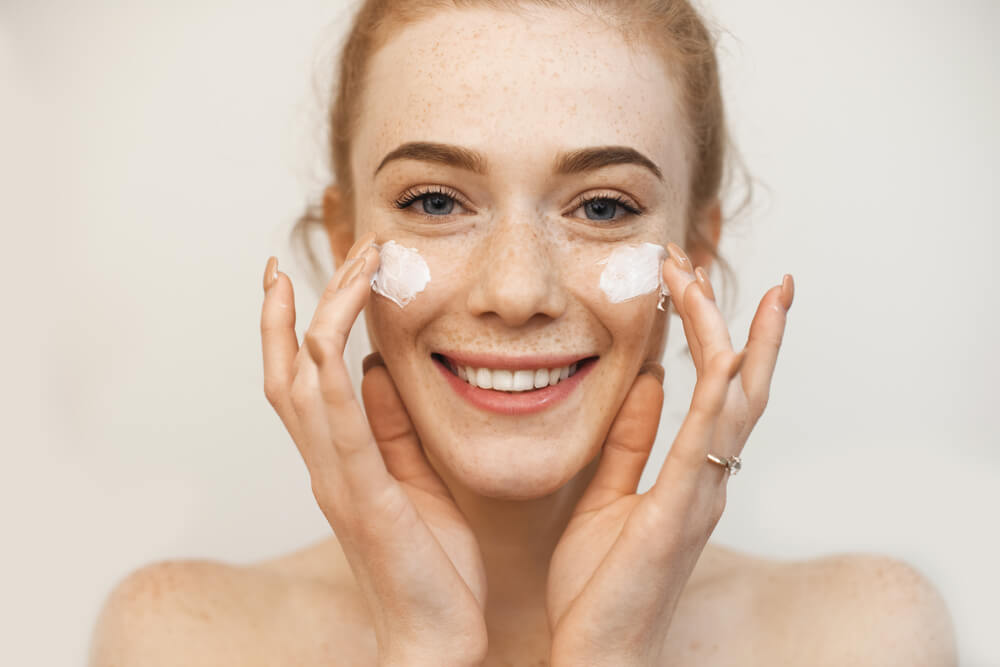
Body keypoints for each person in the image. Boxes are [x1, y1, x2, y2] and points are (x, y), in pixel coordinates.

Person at [88, 1, 957, 665]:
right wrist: (423, 647)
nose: (516, 290)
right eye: (435, 202)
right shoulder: (177, 637)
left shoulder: (867, 633)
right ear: (345, 240)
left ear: (694, 252)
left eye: (604, 206)